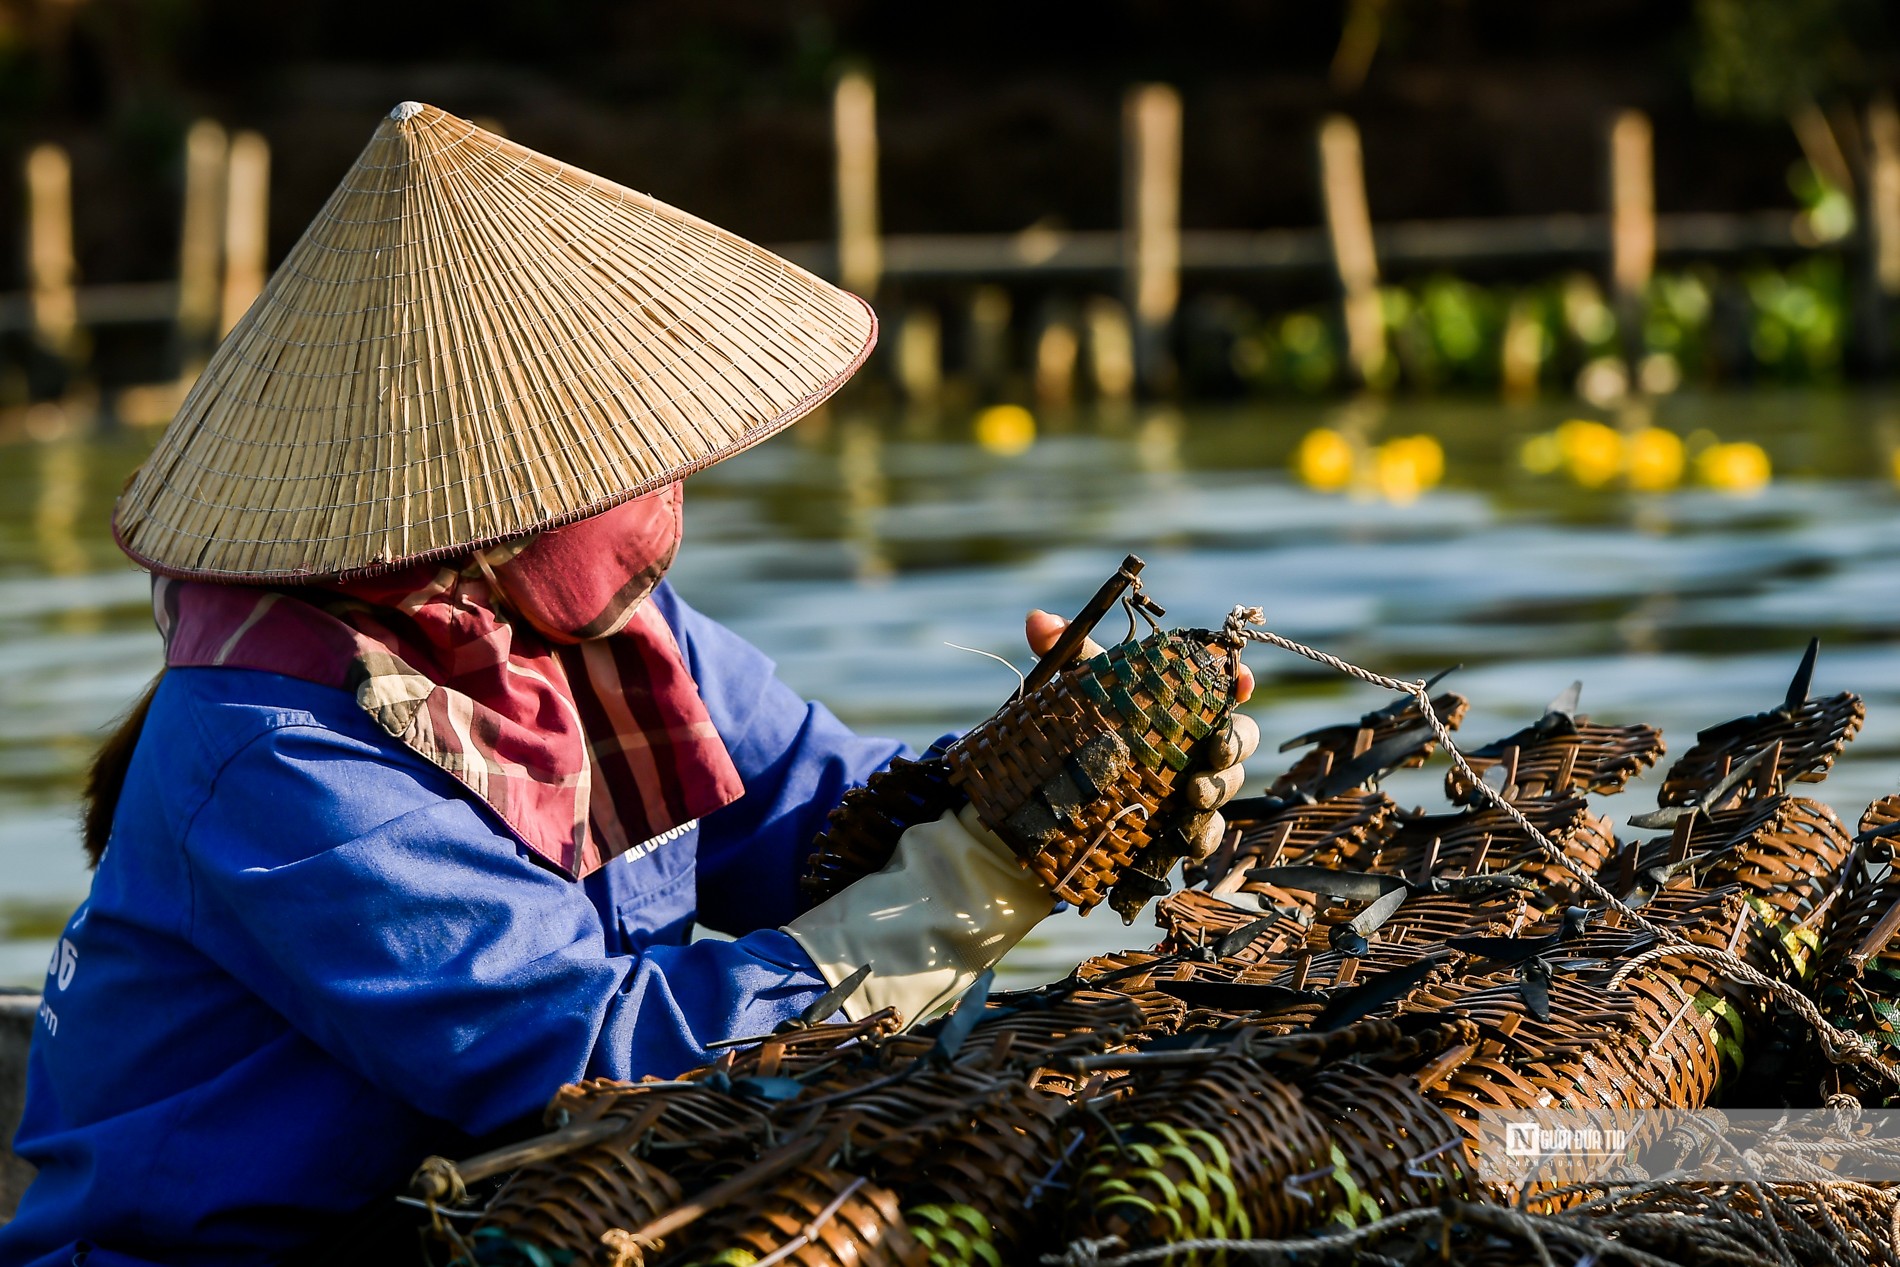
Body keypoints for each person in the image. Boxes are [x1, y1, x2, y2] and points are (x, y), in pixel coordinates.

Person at [0, 104, 1255, 1267]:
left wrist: (1051, 765)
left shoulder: (597, 632)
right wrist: (966, 884)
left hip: (497, 1210)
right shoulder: (271, 749)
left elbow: (814, 815)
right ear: (474, 504)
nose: (661, 509)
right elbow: (586, 1061)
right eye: (616, 464)